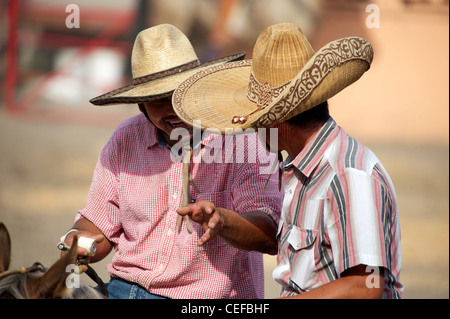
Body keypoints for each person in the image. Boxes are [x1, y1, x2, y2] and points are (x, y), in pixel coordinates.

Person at [172, 23, 403, 298]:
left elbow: (365, 287)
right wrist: (222, 220)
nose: (253, 129)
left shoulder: (348, 175)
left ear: (278, 120)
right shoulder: (304, 169)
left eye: (256, 120)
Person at [58, 24, 283, 299]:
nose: (173, 108)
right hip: (122, 289)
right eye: (157, 100)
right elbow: (99, 225)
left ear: (199, 88)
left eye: (179, 94)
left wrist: (222, 221)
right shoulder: (125, 139)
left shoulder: (241, 140)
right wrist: (77, 241)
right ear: (141, 106)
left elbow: (269, 232)